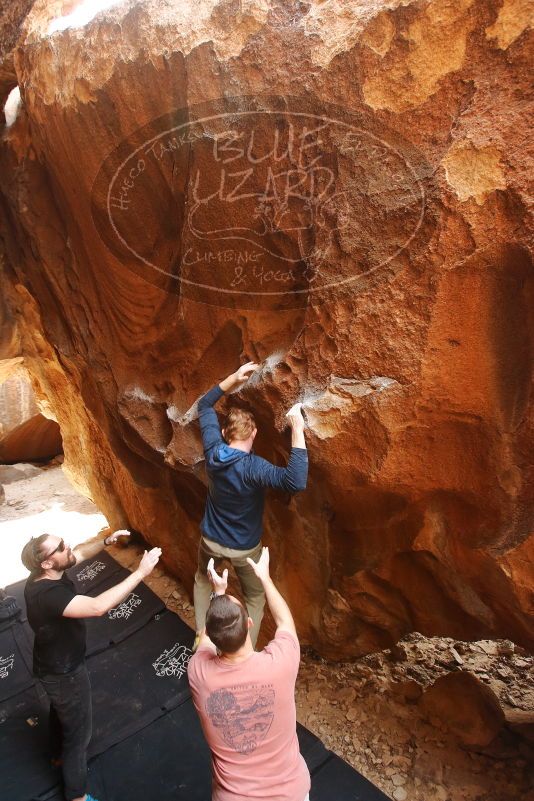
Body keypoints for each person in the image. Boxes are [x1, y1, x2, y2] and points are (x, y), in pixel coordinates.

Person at [21, 529, 162, 801]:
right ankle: (77, 796)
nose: (67, 546)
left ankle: (56, 758)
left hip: (51, 663)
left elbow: (78, 554)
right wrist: (141, 572)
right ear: (47, 563)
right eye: (61, 546)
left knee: (60, 710)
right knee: (79, 735)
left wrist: (107, 541)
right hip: (64, 672)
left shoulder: (45, 572)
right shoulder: (48, 595)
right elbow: (98, 606)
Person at [194, 361, 308, 648]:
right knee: (255, 596)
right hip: (245, 547)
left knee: (202, 579)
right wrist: (297, 428)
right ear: (254, 434)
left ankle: (201, 634)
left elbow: (205, 406)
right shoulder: (254, 467)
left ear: (223, 433)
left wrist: (232, 378)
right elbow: (294, 481)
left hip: (210, 539)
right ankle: (245, 649)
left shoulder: (213, 450)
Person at [188, 548, 311, 801]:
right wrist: (264, 578)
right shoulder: (280, 663)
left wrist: (217, 594)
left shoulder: (199, 673)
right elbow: (285, 622)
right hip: (290, 794)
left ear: (211, 635)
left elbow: (204, 639)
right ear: (249, 624)